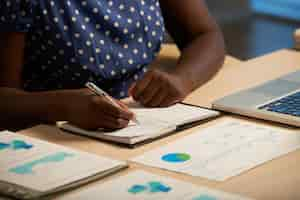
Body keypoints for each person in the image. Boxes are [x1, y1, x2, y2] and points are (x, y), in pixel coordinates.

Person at [0, 0, 225, 130]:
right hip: (50, 134)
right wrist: (61, 106)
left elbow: (205, 34)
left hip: (144, 120)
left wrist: (183, 78)